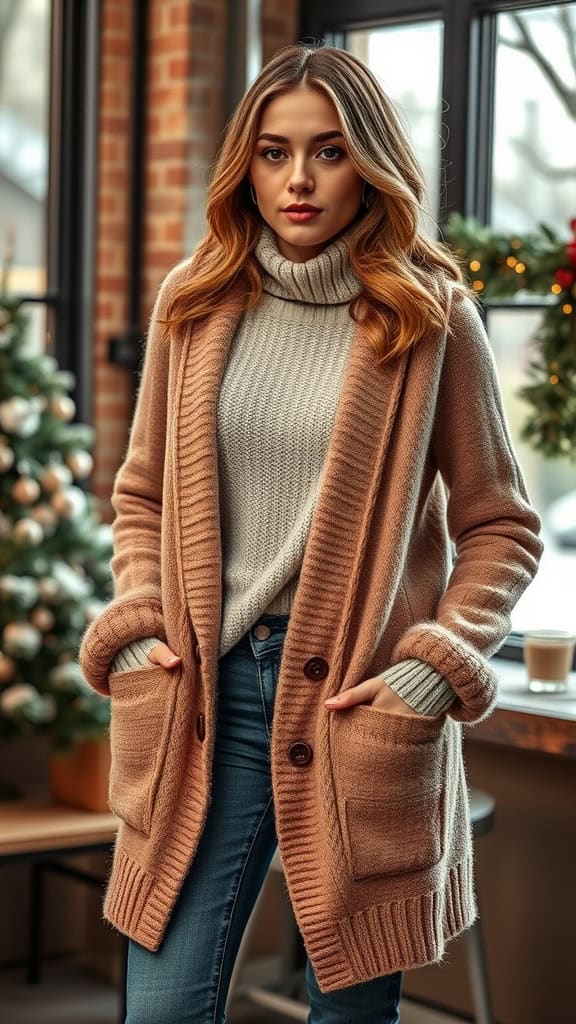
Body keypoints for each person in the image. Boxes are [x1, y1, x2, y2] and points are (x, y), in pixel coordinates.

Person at [79, 42, 543, 1024]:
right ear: (244, 164)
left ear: (368, 161)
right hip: (202, 698)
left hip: (359, 704)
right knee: (161, 1009)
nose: (298, 179)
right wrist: (138, 627)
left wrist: (433, 666)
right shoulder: (192, 305)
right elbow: (140, 495)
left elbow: (500, 526)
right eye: (275, 152)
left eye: (328, 152)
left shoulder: (429, 318)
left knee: (349, 1013)